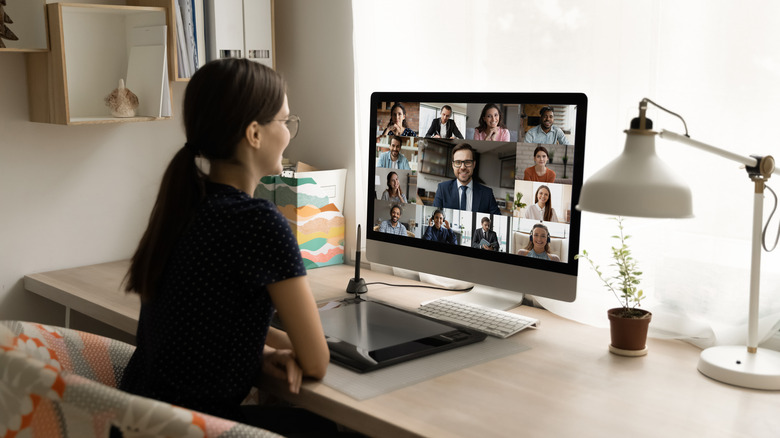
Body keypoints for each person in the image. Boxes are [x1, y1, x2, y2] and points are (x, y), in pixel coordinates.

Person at [118, 59, 333, 434]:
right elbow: (315, 362)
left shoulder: (185, 203)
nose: (288, 133)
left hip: (139, 422)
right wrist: (278, 347)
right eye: (285, 121)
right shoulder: (259, 222)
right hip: (192, 428)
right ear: (254, 133)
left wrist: (260, 353)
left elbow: (204, 320)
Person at [433, 143, 501, 215]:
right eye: (458, 162)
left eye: (467, 162)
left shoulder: (487, 194)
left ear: (474, 164)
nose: (462, 167)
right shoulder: (442, 189)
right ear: (453, 165)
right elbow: (435, 215)